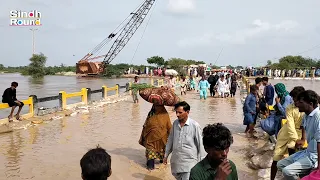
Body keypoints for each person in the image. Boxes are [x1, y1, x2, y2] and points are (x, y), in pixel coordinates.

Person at [277, 90, 320, 179]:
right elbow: (303, 126)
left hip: (314, 156)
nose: (297, 104)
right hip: (307, 152)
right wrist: (303, 139)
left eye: (300, 102)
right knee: (280, 164)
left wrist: (319, 167)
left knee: (287, 171)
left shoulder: (318, 117)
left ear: (310, 104)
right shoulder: (306, 115)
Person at [164, 101, 206, 180]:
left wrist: (202, 164)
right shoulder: (175, 124)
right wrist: (166, 155)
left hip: (189, 163)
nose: (177, 115)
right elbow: (170, 140)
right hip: (176, 162)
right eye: (176, 112)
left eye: (180, 112)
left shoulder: (195, 126)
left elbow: (201, 145)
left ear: (187, 112)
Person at [270, 86, 305, 180]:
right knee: (276, 157)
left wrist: (301, 139)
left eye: (296, 99)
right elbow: (290, 124)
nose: (294, 101)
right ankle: (271, 178)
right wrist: (296, 139)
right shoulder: (290, 108)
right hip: (286, 133)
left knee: (294, 156)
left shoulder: (306, 108)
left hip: (300, 134)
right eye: (293, 99)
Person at [139, 104, 172, 170]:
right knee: (151, 157)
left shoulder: (164, 114)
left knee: (161, 157)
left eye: (158, 106)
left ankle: (157, 171)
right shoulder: (151, 113)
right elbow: (146, 125)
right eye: (155, 105)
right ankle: (151, 168)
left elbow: (169, 127)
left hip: (161, 140)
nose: (157, 107)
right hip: (151, 140)